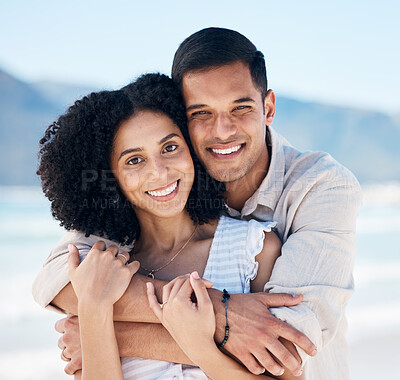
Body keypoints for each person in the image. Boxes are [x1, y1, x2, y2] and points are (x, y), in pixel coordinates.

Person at [33, 28, 362, 379]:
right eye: (201, 112)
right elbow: (56, 279)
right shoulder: (156, 201)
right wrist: (220, 312)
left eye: (240, 107)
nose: (222, 131)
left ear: (268, 108)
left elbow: (285, 350)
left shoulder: (321, 188)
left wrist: (111, 333)